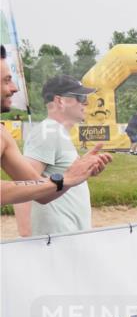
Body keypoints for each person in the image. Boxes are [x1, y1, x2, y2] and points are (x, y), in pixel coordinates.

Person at [0, 49, 111, 210]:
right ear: (59, 100)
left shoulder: (3, 134)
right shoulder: (47, 132)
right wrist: (65, 178)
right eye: (6, 80)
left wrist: (74, 174)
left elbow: (38, 192)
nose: (15, 88)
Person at [12, 75, 110, 237]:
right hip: (57, 239)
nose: (85, 102)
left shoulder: (56, 132)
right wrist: (26, 235)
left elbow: (65, 177)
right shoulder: (47, 132)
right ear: (60, 101)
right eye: (80, 97)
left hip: (67, 236)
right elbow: (23, 185)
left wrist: (85, 168)